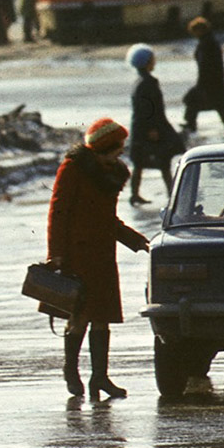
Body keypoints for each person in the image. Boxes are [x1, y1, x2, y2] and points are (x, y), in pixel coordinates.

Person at [46, 117, 150, 398]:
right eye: (118, 146)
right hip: (77, 255)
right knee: (79, 317)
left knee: (102, 317)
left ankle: (100, 378)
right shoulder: (73, 169)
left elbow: (108, 219)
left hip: (104, 254)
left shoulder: (112, 173)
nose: (121, 151)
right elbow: (58, 213)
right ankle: (71, 371)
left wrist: (136, 240)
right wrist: (54, 256)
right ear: (106, 146)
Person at [127, 43, 184, 206]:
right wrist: (152, 128)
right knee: (163, 160)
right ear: (146, 62)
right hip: (152, 127)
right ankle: (173, 195)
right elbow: (149, 108)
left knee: (140, 163)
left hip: (141, 127)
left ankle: (135, 194)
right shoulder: (148, 83)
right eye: (152, 59)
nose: (154, 62)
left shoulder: (139, 82)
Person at [181, 17, 224, 141]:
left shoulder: (207, 44)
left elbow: (205, 65)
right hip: (213, 81)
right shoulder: (208, 42)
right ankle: (191, 125)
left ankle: (191, 126)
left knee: (215, 106)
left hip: (209, 81)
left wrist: (201, 84)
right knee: (217, 106)